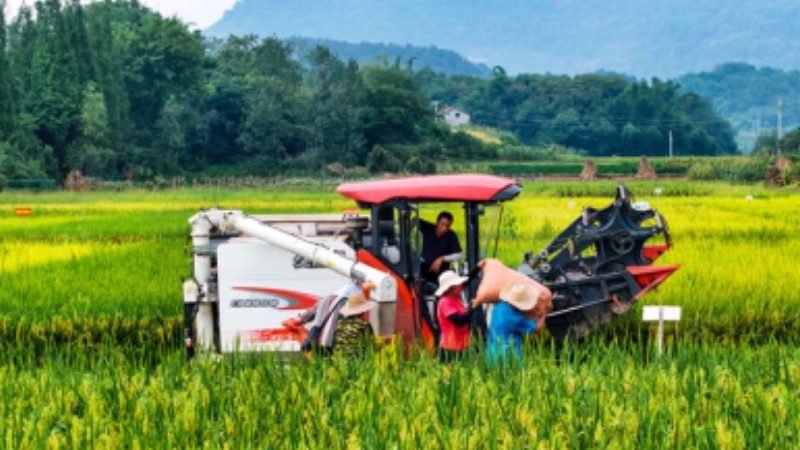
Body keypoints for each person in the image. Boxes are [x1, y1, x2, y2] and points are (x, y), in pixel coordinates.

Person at [481, 282, 546, 365]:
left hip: (492, 352)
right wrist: (544, 313)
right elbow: (537, 329)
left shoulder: (499, 306)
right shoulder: (516, 318)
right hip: (508, 356)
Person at [434, 261, 485, 362]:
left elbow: (467, 280)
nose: (460, 286)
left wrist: (478, 267)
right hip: (451, 349)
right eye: (457, 285)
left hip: (463, 346)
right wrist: (473, 307)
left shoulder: (455, 297)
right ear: (449, 288)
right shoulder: (445, 302)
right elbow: (458, 321)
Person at [293, 283, 362, 356]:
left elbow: (308, 315)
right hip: (333, 341)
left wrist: (299, 319)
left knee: (320, 363)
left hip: (317, 339)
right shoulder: (346, 302)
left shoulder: (324, 299)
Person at [418, 211, 462, 283]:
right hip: (423, 269)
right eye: (442, 224)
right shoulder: (428, 228)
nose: (444, 228)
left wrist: (442, 259)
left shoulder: (451, 236)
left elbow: (459, 255)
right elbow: (415, 220)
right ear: (437, 222)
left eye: (447, 226)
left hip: (441, 273)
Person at [334, 289, 379, 358]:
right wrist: (385, 341)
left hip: (338, 361)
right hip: (357, 362)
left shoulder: (340, 323)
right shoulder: (363, 324)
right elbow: (371, 346)